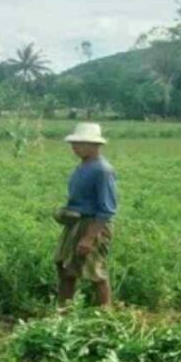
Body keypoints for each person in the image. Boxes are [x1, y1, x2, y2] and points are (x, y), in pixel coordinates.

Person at [54, 122, 117, 308]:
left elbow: (107, 209)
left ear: (95, 145)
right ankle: (64, 313)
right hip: (75, 224)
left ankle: (106, 314)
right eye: (74, 143)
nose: (75, 147)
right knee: (65, 268)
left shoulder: (103, 171)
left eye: (81, 143)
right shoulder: (82, 167)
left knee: (95, 271)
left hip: (93, 225)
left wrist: (89, 238)